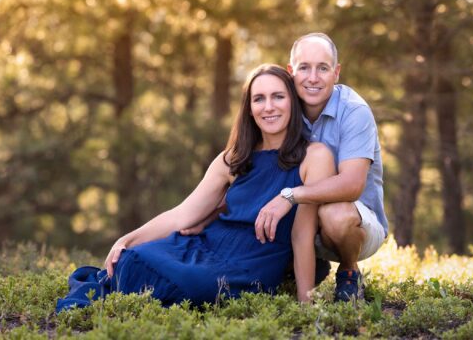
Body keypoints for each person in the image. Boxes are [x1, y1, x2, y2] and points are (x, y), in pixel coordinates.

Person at [56, 64, 335, 312]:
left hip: (251, 265)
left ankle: (138, 289)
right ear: (249, 108)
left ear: (292, 102)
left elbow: (302, 234)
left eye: (278, 97)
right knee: (133, 258)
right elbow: (182, 215)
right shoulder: (233, 158)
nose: (269, 107)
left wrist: (305, 301)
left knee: (198, 286)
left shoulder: (315, 156)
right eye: (259, 99)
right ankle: (125, 283)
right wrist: (126, 239)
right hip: (204, 247)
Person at [254, 33, 388, 301]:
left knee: (334, 215)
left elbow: (351, 185)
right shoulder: (281, 107)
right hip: (302, 221)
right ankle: (303, 267)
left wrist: (290, 196)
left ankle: (349, 272)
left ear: (336, 73)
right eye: (304, 68)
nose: (312, 78)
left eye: (322, 68)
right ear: (291, 72)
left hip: (356, 222)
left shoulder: (354, 111)